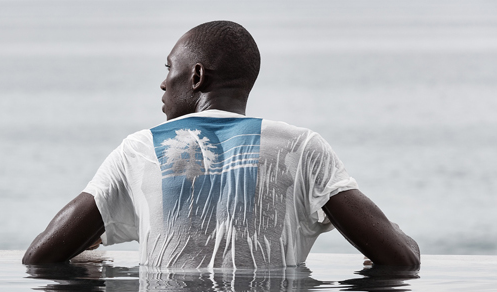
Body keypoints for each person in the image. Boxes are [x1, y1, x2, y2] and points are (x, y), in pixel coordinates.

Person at [22, 21, 420, 268]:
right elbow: (400, 260)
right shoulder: (301, 148)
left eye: (168, 68)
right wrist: (400, 237)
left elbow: (39, 257)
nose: (163, 83)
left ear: (196, 76)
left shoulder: (141, 149)